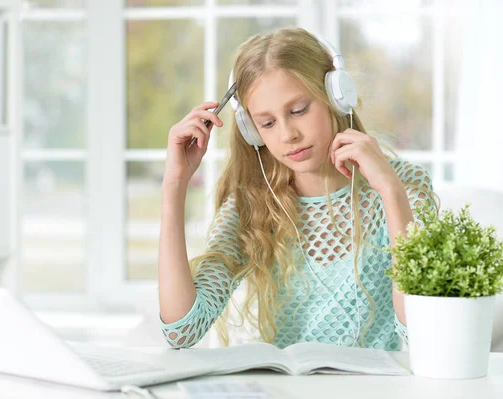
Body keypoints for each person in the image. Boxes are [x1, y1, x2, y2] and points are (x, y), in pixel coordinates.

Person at [157, 27, 438, 351]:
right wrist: (174, 186)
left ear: (336, 96)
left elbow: (422, 334)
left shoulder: (402, 186)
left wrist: (390, 192)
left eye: (299, 110)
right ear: (251, 130)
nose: (288, 134)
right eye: (267, 122)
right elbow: (182, 331)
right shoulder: (252, 205)